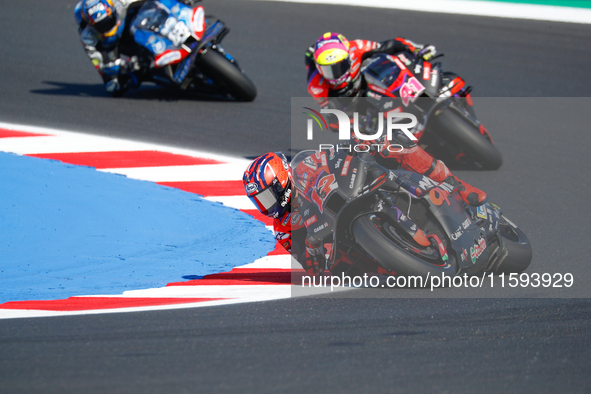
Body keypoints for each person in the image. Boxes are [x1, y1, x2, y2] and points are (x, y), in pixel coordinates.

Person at [243, 142, 487, 277]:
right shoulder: (282, 227)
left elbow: (332, 155)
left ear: (281, 180)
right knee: (351, 273)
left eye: (266, 196)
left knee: (399, 145)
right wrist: (311, 248)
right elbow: (311, 268)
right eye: (259, 201)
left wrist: (358, 145)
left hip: (352, 190)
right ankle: (399, 258)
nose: (266, 205)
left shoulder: (305, 166)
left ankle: (459, 186)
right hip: (339, 242)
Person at [306, 32, 438, 106]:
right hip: (356, 105)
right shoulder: (316, 86)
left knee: (395, 60)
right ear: (318, 68)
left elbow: (389, 45)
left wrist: (416, 48)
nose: (336, 74)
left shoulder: (357, 47)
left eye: (340, 66)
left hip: (372, 82)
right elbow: (333, 118)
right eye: (328, 70)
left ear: (349, 57)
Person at [74, 0, 148, 96]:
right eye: (101, 26)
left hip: (133, 23)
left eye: (108, 21)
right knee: (113, 87)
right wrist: (123, 65)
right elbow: (100, 65)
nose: (106, 27)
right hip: (113, 44)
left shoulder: (122, 3)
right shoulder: (88, 36)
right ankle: (139, 73)